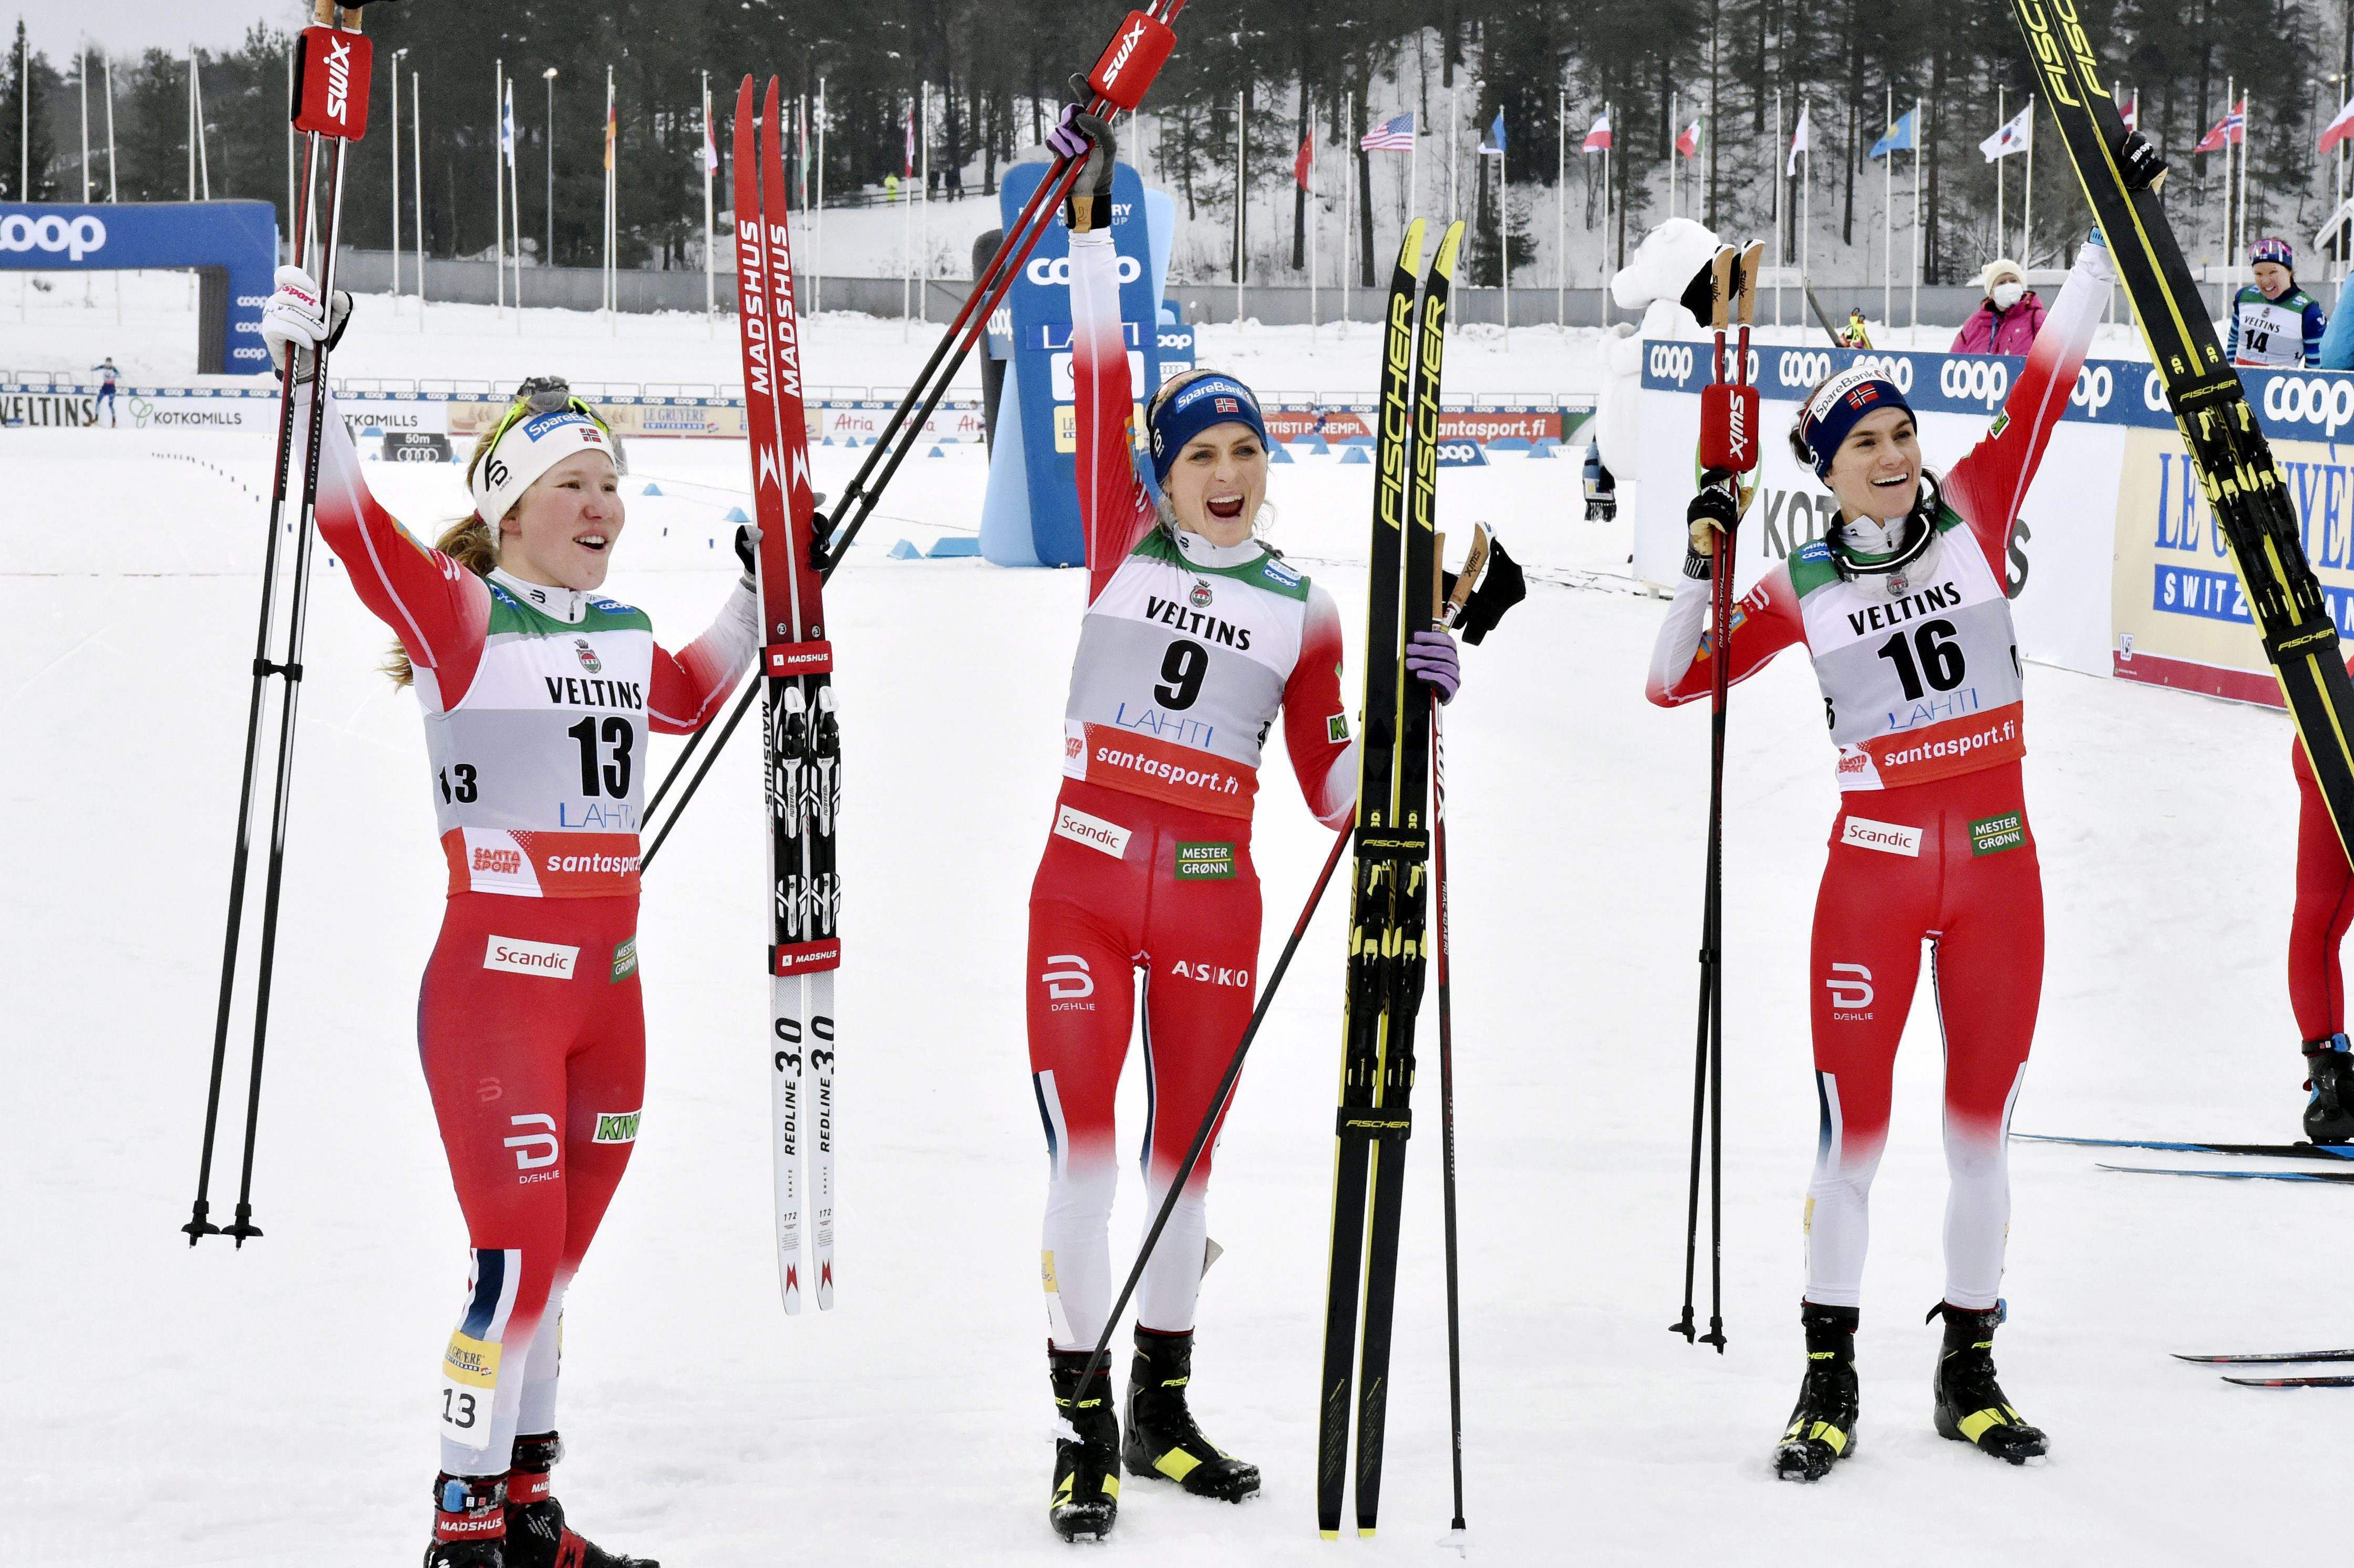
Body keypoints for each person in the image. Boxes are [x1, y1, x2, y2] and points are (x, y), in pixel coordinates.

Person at [260, 266, 760, 1568]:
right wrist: (311, 386)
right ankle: (463, 1524)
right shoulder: (465, 616)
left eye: (609, 482)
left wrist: (764, 592)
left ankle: (527, 1506)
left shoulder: (623, 627)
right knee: (514, 1267)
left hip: (610, 998)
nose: (602, 504)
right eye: (571, 484)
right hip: (498, 993)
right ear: (510, 508)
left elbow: (691, 691)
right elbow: (353, 527)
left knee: (557, 1271)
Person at [1028, 105, 1461, 1542]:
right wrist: (1093, 229)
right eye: (1201, 453)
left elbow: (1341, 797)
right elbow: (1101, 373)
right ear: (1159, 474)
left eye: (1245, 451)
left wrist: (1418, 713)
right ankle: (1083, 1426)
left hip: (1217, 896)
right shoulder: (1115, 540)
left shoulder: (1307, 608)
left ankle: (1161, 1408)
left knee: (1183, 1170)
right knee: (1090, 1161)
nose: (1226, 472)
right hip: (1085, 890)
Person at [1646, 223, 2125, 1483]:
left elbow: (2049, 380)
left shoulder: (1972, 505)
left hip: (1998, 869)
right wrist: (1701, 564)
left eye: (1903, 432)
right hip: (1870, 873)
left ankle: (1969, 1369)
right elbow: (1669, 680)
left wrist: (2098, 255)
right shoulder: (1798, 581)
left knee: (1980, 1137)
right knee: (1848, 1138)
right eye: (1865, 443)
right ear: (1827, 469)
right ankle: (1828, 1380)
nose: (1896, 456)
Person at [2288, 741, 2354, 1140]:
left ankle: (2332, 1090)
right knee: (2318, 920)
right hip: (2330, 742)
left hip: (2324, 739)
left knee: (2318, 921)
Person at [2226, 237, 2327, 368]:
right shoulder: (2244, 297)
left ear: (2289, 272)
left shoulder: (2309, 311)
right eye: (2259, 274)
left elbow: (2316, 368)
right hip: (2240, 379)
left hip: (2280, 381)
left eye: (2273, 272)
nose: (2265, 281)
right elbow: (2233, 341)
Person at [1949, 260, 2046, 355]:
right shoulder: (1974, 324)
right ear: (1991, 292)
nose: (2008, 285)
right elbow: (1953, 360)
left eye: (2013, 281)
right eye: (2001, 283)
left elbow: (2052, 358)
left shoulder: (2038, 318)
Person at [91, 357, 119, 428]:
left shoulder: (113, 369)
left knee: (110, 405)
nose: (108, 364)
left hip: (111, 388)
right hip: (105, 387)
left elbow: (119, 375)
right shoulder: (104, 367)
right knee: (98, 401)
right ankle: (96, 418)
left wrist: (116, 374)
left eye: (109, 363)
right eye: (107, 363)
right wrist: (93, 369)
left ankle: (114, 420)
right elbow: (98, 368)